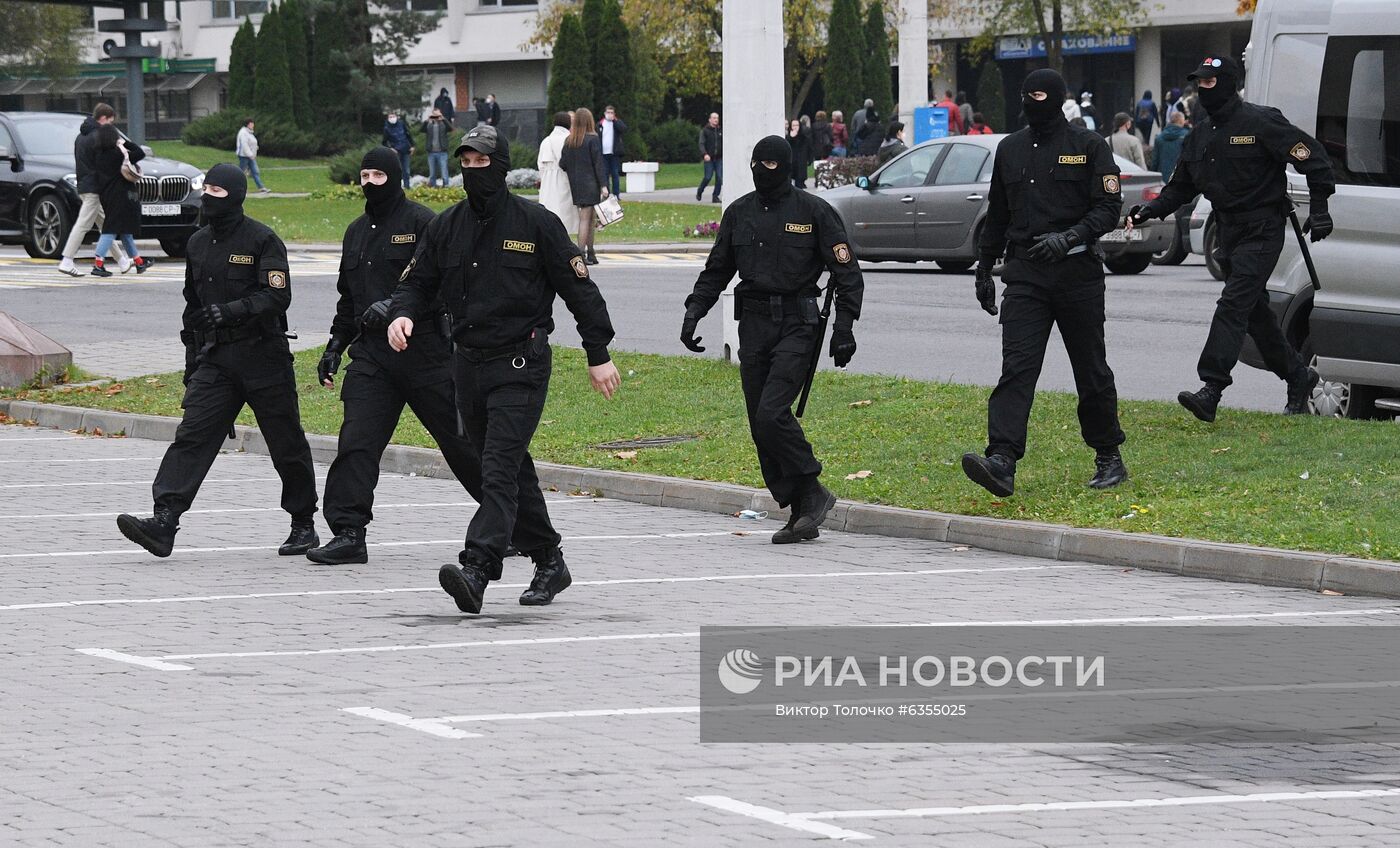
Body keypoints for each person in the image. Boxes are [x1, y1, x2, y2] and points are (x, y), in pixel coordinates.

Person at [386, 124, 621, 614]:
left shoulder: (536, 225)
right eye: (466, 164)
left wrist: (597, 354)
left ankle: (477, 569)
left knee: (496, 468)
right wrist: (402, 313)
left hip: (521, 363)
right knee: (509, 468)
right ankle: (550, 559)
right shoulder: (445, 226)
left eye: (482, 163)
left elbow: (581, 293)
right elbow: (416, 281)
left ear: (500, 166)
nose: (474, 172)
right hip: (467, 366)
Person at [306, 148, 541, 565]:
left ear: (394, 177)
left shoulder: (423, 223)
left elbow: (447, 286)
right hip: (372, 359)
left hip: (428, 354)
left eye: (378, 174)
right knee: (356, 443)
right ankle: (347, 531)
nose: (369, 182)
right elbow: (349, 300)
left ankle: (514, 527)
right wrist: (334, 347)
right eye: (364, 174)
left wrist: (400, 308)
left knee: (465, 446)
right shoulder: (356, 232)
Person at [116, 164, 319, 558]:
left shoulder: (263, 240)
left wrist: (233, 311)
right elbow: (192, 307)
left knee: (286, 443)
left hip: (263, 356)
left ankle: (303, 524)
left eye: (216, 190)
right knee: (193, 434)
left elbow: (278, 297)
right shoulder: (197, 242)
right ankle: (164, 520)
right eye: (204, 188)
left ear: (236, 195)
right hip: (217, 359)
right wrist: (193, 362)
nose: (208, 196)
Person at [1126, 55, 1335, 421]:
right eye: (1198, 83)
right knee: (1253, 313)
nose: (1202, 90)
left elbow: (1313, 158)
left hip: (1263, 228)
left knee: (1233, 303)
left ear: (1227, 83)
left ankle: (1212, 387)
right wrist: (1151, 210)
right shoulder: (1201, 133)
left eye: (1209, 83)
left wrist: (1319, 209)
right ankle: (1299, 376)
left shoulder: (1261, 121)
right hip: (1229, 233)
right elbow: (1181, 187)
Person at [680, 136, 863, 544]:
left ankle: (813, 488)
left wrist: (845, 327)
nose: (762, 170)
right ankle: (801, 509)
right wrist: (695, 311)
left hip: (798, 324)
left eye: (770, 163)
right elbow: (717, 270)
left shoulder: (814, 212)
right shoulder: (739, 213)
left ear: (786, 165)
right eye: (755, 163)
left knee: (772, 414)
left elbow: (847, 273)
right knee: (759, 426)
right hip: (755, 325)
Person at [962, 68, 1128, 497]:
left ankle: (1108, 455)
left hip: (1076, 273)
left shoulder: (1088, 146)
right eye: (1025, 94)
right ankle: (1002, 459)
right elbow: (998, 213)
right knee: (1017, 368)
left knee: (1089, 368)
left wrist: (1071, 237)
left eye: (1038, 94)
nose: (1030, 102)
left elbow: (1109, 207)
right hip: (1026, 274)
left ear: (1056, 97)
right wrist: (983, 268)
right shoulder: (1010, 149)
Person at [57, 103, 128, 276]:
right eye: (110, 121)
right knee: (83, 224)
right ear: (103, 118)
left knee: (105, 225)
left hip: (84, 185)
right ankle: (67, 260)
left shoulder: (81, 136)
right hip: (95, 187)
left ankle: (122, 261)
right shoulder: (99, 136)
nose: (111, 125)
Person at [90, 124, 152, 278]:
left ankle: (138, 262)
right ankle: (98, 263)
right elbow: (139, 153)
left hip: (107, 196)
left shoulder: (97, 156)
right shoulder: (118, 154)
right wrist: (125, 143)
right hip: (122, 196)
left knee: (125, 230)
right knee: (110, 229)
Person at [560, 107, 608, 265]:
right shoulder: (592, 139)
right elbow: (598, 163)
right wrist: (604, 185)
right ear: (589, 121)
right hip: (591, 183)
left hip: (576, 184)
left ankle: (590, 253)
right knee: (587, 220)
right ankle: (583, 252)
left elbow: (563, 164)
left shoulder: (570, 140)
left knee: (587, 219)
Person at [537, 111, 580, 234]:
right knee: (566, 213)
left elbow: (540, 164)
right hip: (565, 179)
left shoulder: (546, 140)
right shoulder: (569, 139)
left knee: (550, 209)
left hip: (547, 181)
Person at [1150, 110, 1190, 181]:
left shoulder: (1159, 138)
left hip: (1163, 177)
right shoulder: (1187, 136)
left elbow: (1155, 161)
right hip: (1181, 177)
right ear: (1181, 121)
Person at [598, 105, 627, 198]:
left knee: (615, 174)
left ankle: (616, 194)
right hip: (603, 153)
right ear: (604, 113)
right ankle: (607, 193)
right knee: (605, 174)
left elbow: (623, 129)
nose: (610, 114)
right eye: (608, 112)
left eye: (611, 113)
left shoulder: (616, 123)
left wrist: (615, 120)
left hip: (614, 153)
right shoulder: (600, 124)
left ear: (614, 114)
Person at [381, 112, 415, 189]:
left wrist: (412, 146)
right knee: (396, 170)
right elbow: (384, 142)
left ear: (397, 117)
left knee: (406, 169)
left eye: (393, 116)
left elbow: (408, 135)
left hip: (406, 150)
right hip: (395, 151)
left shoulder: (402, 124)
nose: (392, 118)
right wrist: (391, 148)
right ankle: (397, 187)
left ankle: (407, 186)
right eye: (390, 117)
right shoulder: (386, 128)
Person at [236, 118, 270, 193]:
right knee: (241, 172)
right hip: (244, 156)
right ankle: (236, 187)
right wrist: (250, 154)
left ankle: (261, 187)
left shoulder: (249, 133)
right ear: (248, 124)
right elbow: (244, 145)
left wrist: (255, 149)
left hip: (250, 156)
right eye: (251, 123)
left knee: (255, 171)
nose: (253, 125)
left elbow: (252, 143)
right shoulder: (243, 133)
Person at [697, 112, 723, 203]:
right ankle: (700, 191)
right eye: (714, 118)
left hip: (719, 158)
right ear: (710, 119)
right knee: (708, 177)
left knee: (720, 178)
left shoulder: (720, 130)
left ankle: (715, 196)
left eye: (717, 118)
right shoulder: (705, 131)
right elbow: (701, 143)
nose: (716, 119)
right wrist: (704, 154)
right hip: (709, 158)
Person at [422, 108, 452, 188]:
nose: (435, 117)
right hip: (431, 152)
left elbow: (451, 128)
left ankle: (446, 185)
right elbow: (421, 130)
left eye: (437, 115)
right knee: (432, 172)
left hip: (442, 152)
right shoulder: (429, 125)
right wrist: (427, 121)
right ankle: (433, 186)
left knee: (444, 171)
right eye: (434, 115)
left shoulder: (443, 124)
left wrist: (443, 119)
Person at [786, 118, 812, 189]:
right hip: (790, 163)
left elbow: (809, 149)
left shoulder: (804, 138)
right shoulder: (787, 138)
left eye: (797, 125)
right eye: (793, 125)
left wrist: (810, 159)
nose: (795, 127)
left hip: (800, 163)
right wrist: (790, 137)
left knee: (799, 185)